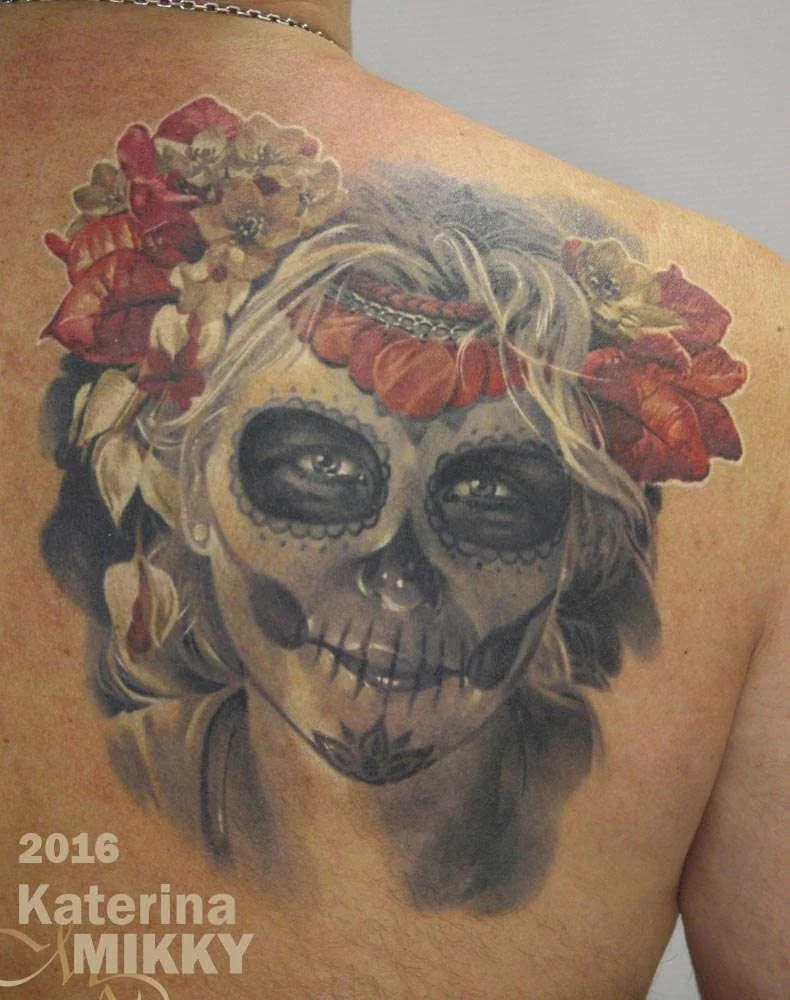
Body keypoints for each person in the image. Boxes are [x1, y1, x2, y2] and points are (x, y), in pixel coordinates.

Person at [0, 3, 786, 998]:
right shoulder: (772, 343)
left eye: (493, 492)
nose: (400, 577)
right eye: (319, 471)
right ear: (181, 483)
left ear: (578, 545)